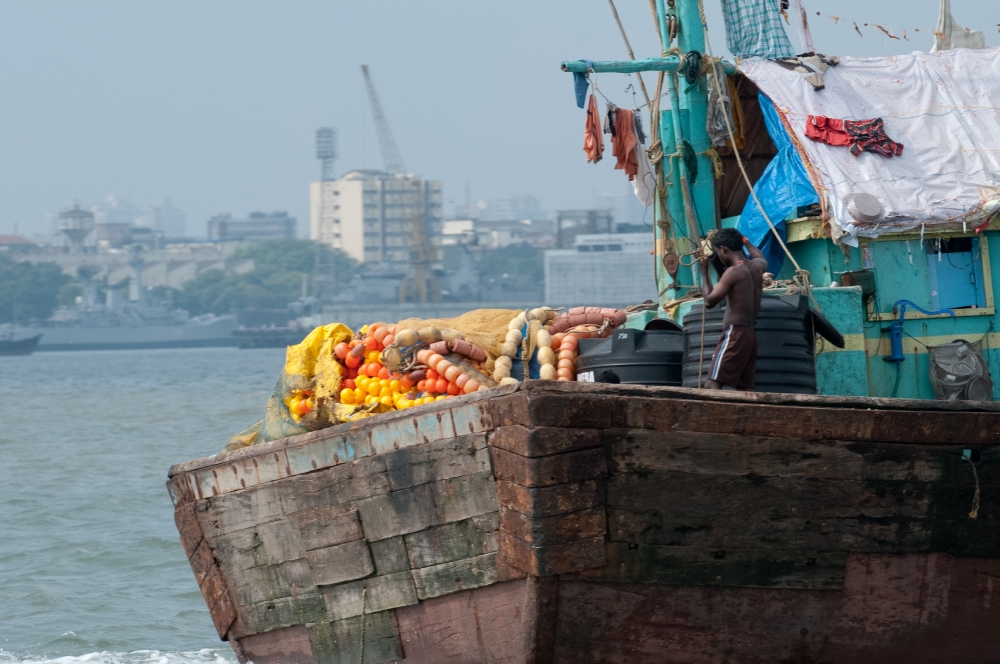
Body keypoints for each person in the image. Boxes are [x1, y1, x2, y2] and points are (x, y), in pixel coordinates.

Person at [697, 228, 768, 391]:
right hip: (750, 335)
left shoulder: (733, 272)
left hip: (734, 334)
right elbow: (759, 256)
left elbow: (709, 301)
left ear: (724, 250)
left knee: (712, 383)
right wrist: (743, 239)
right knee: (745, 389)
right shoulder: (757, 266)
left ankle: (711, 417)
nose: (719, 257)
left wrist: (704, 271)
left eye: (719, 252)